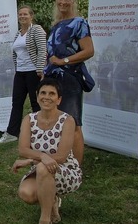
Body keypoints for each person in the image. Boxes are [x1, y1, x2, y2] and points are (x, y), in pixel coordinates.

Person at [11, 78, 82, 224]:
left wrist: (32, 160)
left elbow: (61, 157)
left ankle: (45, 219)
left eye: (52, 94)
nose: (46, 97)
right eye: (43, 93)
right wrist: (42, 157)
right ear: (37, 97)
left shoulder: (67, 120)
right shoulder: (29, 119)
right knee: (27, 194)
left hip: (66, 170)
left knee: (43, 168)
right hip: (41, 167)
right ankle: (53, 201)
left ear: (59, 99)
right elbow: (23, 149)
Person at [43, 0, 94, 165]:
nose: (63, 2)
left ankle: (76, 169)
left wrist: (63, 62)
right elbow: (51, 55)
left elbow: (89, 51)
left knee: (73, 124)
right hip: (52, 80)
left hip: (71, 79)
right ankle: (63, 161)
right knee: (58, 122)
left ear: (73, 1)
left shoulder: (79, 23)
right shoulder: (56, 25)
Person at [0, 6, 47, 144]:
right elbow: (16, 53)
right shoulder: (18, 33)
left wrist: (40, 69)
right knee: (17, 103)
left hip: (33, 71)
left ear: (31, 16)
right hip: (20, 72)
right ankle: (12, 133)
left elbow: (43, 50)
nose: (22, 16)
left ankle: (40, 132)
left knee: (36, 102)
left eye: (25, 14)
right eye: (20, 14)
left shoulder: (36, 30)